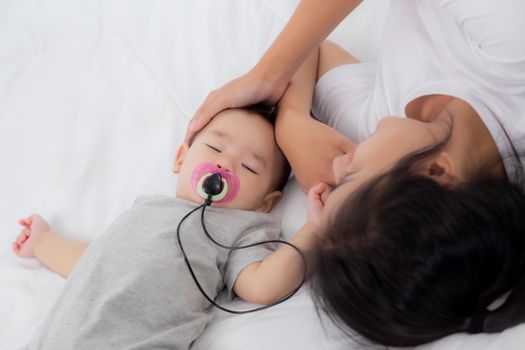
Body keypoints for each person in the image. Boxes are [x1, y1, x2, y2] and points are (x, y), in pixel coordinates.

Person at [185, 0, 525, 346]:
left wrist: (292, 125)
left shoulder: (378, 126)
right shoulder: (512, 57)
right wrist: (267, 75)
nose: (336, 164)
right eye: (349, 177)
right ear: (436, 171)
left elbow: (313, 49)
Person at [11, 105, 326, 349]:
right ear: (181, 158)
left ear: (266, 204)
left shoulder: (240, 227)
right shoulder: (147, 207)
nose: (225, 164)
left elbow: (261, 285)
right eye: (215, 148)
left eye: (249, 166)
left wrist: (314, 228)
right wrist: (43, 242)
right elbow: (94, 261)